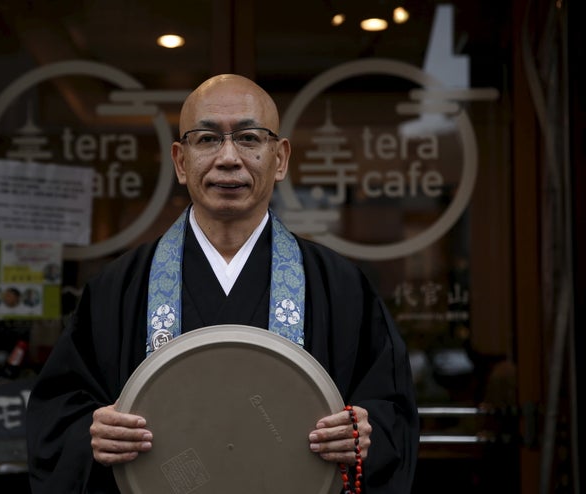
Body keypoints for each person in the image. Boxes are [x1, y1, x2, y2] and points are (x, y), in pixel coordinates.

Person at [26, 74, 419, 493]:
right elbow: (57, 418)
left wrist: (363, 432)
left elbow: (391, 414)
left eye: (249, 138)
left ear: (280, 158)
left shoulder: (340, 287)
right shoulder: (119, 288)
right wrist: (93, 435)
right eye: (207, 139)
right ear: (180, 161)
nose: (228, 158)